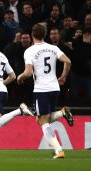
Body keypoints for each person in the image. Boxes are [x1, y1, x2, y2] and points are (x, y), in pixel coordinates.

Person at [17, 24, 73, 159]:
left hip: (41, 90)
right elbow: (68, 61)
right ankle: (62, 112)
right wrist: (63, 76)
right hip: (54, 88)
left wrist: (20, 77)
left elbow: (28, 72)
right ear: (45, 34)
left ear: (32, 35)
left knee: (43, 122)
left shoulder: (29, 51)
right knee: (41, 119)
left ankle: (58, 150)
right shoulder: (53, 48)